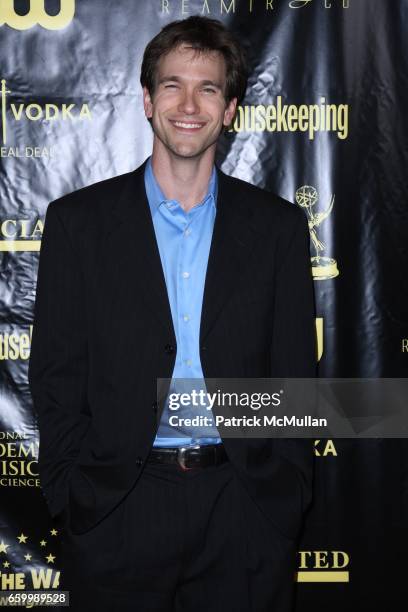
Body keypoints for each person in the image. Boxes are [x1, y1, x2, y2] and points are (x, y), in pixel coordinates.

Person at [28, 15, 316, 612]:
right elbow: (56, 371)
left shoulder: (279, 229)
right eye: (172, 85)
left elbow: (294, 376)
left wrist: (285, 488)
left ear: (230, 107)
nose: (189, 104)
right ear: (146, 100)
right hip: (117, 507)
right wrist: (71, 491)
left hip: (243, 505)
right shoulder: (78, 223)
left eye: (208, 88)